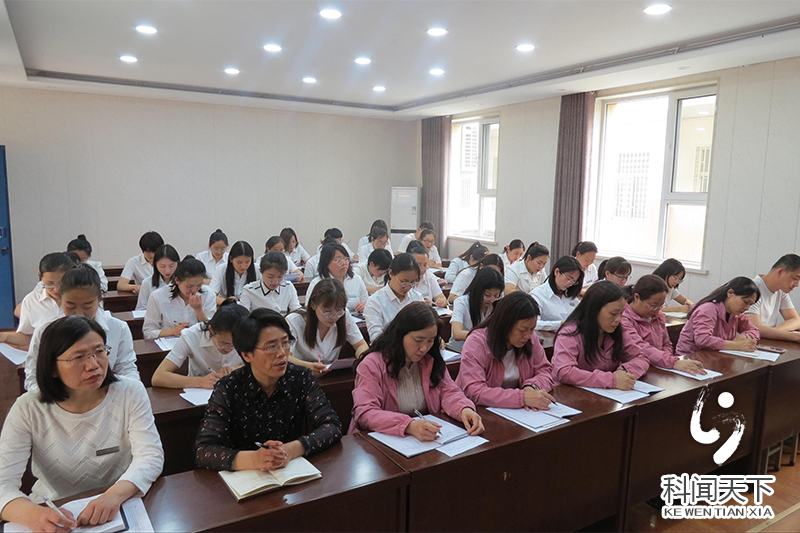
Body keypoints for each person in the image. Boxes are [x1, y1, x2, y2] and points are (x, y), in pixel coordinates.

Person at [0, 315, 163, 531]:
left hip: (121, 506)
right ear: (51, 367)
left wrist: (114, 495)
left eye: (99, 351)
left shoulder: (130, 391)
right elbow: (3, 483)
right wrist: (34, 515)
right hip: (56, 509)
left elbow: (150, 456)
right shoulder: (28, 408)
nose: (93, 365)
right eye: (78, 357)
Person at [194, 308, 343, 471]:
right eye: (271, 347)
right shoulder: (228, 388)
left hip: (291, 470)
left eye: (285, 343)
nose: (282, 353)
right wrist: (256, 459)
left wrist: (289, 450)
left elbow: (332, 426)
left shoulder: (301, 378)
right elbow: (204, 450)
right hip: (245, 476)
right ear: (247, 355)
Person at [350, 302, 484, 439]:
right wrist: (408, 425)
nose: (424, 348)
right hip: (380, 440)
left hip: (424, 438)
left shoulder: (430, 360)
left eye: (430, 340)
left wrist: (464, 409)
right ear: (400, 335)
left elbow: (448, 391)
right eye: (418, 340)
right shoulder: (372, 364)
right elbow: (365, 412)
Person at [24, 264, 140, 392]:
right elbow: (33, 378)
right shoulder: (44, 332)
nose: (79, 313)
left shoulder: (118, 328)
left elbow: (127, 369)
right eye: (70, 305)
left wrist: (129, 394)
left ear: (100, 300)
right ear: (60, 299)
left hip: (106, 396)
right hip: (61, 398)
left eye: (87, 306)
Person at [456, 292, 556, 409]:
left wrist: (531, 387)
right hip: (478, 411)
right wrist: (522, 397)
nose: (528, 335)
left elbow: (545, 370)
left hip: (518, 412)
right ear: (505, 324)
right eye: (522, 330)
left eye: (532, 329)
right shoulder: (476, 343)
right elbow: (474, 391)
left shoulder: (530, 338)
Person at [552, 281, 650, 390]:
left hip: (606, 394)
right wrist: (611, 379)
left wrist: (624, 372)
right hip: (572, 394)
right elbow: (564, 372)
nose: (618, 319)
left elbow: (641, 357)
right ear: (594, 310)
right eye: (613, 313)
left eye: (621, 313)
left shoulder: (618, 331)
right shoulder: (570, 333)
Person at [152, 299, 248, 389]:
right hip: (199, 393)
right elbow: (158, 377)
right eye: (225, 343)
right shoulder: (191, 335)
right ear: (211, 330)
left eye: (236, 345)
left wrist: (237, 369)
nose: (230, 348)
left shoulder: (249, 336)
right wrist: (200, 381)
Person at [621, 275, 706, 375]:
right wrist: (672, 362)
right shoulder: (623, 318)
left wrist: (667, 360)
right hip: (635, 369)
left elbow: (666, 344)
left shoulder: (659, 316)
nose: (657, 310)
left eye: (660, 306)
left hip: (659, 366)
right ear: (637, 297)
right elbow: (640, 347)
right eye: (653, 306)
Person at [287, 279, 368, 377]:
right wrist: (308, 366)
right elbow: (285, 356)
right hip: (301, 376)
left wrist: (362, 358)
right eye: (327, 312)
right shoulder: (294, 321)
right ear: (313, 305)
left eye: (338, 311)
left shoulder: (344, 315)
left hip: (333, 374)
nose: (334, 317)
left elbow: (360, 344)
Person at [1, 252, 74, 348]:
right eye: (49, 283)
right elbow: (27, 337)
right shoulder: (32, 300)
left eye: (62, 283)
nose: (56, 289)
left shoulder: (80, 297)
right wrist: (4, 336)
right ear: (40, 275)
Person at [676, 277, 761, 356]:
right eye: (745, 302)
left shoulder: (736, 314)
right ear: (730, 293)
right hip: (690, 359)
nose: (747, 308)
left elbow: (754, 330)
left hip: (715, 358)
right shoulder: (708, 309)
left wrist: (744, 336)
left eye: (750, 305)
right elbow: (703, 340)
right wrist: (737, 345)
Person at [142, 256, 217, 339]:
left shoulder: (208, 294)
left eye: (199, 285)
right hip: (169, 342)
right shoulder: (158, 296)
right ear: (177, 280)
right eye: (189, 286)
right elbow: (148, 332)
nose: (194, 290)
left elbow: (214, 330)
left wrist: (199, 311)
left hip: (197, 342)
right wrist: (173, 332)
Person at [363, 253, 425, 340]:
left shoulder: (417, 298)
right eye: (404, 282)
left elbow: (425, 327)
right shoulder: (375, 302)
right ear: (391, 273)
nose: (408, 287)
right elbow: (376, 339)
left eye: (413, 282)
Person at [746, 254, 800, 344]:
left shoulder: (781, 291)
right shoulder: (753, 289)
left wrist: (775, 332)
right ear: (780, 272)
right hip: (746, 344)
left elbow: (796, 320)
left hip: (764, 343)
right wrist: (795, 337)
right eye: (795, 278)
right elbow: (755, 329)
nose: (797, 284)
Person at [450, 268, 504, 350]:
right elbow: (457, 334)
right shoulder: (462, 303)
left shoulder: (497, 304)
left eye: (496, 295)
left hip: (486, 349)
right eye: (487, 295)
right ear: (477, 290)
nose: (492, 299)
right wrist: (485, 336)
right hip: (460, 349)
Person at [306, 243, 368, 313]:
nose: (344, 263)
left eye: (345, 259)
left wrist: (364, 305)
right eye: (338, 260)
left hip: (355, 317)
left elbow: (366, 301)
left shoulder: (356, 279)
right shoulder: (317, 283)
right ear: (326, 263)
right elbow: (310, 309)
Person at [530, 256, 583, 331]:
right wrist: (560, 324)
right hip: (546, 337)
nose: (570, 284)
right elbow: (534, 324)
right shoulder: (538, 295)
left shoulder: (571, 297)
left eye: (574, 281)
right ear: (557, 272)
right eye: (569, 279)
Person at [135, 244, 179, 311]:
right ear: (155, 264)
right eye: (162, 266)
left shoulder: (183, 282)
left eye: (171, 266)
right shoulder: (147, 283)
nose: (167, 270)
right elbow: (141, 309)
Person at [407, 242, 448, 308]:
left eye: (425, 265)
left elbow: (441, 297)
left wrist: (441, 301)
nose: (422, 269)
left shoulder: (429, 276)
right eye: (418, 265)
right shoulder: (403, 280)